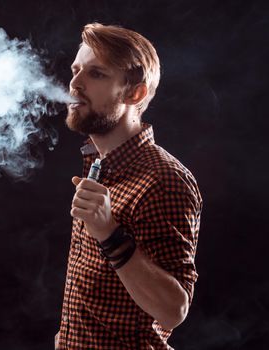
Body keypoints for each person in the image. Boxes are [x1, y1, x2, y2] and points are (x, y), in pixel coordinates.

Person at [55, 23, 203, 349]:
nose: (74, 84)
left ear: (134, 93)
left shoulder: (163, 180)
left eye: (96, 74)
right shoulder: (99, 166)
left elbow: (173, 309)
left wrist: (109, 232)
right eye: (75, 71)